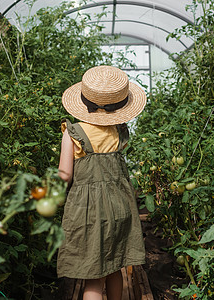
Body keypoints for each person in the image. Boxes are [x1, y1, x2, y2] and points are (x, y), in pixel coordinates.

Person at [57, 65, 147, 300]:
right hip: (119, 205)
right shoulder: (118, 131)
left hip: (87, 211)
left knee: (94, 275)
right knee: (115, 264)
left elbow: (65, 175)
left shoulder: (73, 132)